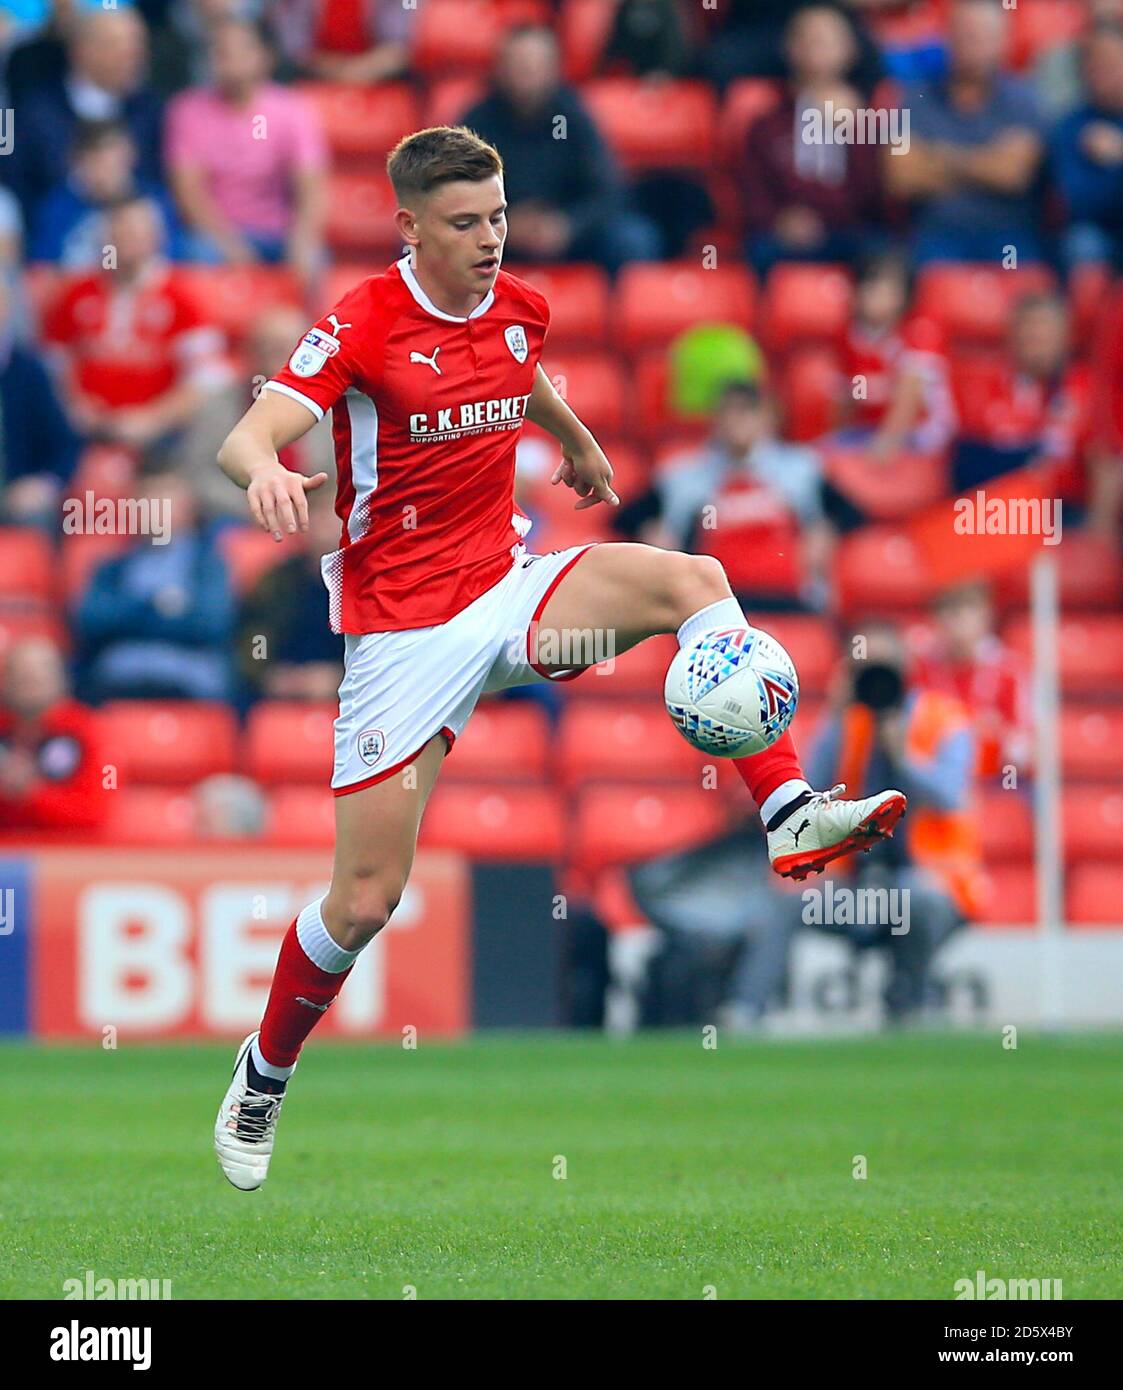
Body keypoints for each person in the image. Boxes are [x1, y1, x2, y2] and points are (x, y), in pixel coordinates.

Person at [210, 124, 907, 1191]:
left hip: (509, 586)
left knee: (695, 581)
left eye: (496, 215)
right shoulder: (360, 323)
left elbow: (518, 372)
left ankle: (786, 812)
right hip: (404, 635)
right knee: (362, 901)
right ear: (408, 227)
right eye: (463, 224)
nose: (490, 238)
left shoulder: (521, 305)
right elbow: (246, 437)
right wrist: (261, 472)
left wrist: (576, 440)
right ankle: (263, 1075)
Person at [804, 620, 982, 1023]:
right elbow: (809, 795)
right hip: (855, 885)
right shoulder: (846, 723)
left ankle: (910, 1005)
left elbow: (948, 796)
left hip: (932, 880)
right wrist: (835, 716)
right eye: (866, 670)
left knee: (917, 901)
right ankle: (746, 1011)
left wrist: (903, 756)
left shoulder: (944, 718)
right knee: (783, 902)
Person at [459, 25, 661, 273]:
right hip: (496, 236)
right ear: (499, 68)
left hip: (569, 235)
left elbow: (609, 192)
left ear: (553, 69)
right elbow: (454, 197)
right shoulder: (476, 123)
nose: (526, 75)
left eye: (534, 65)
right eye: (518, 64)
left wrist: (567, 225)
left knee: (631, 239)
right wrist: (504, 223)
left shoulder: (573, 116)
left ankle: (622, 310)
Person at [41, 194, 229, 449]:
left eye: (135, 233)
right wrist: (75, 405)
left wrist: (152, 420)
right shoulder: (76, 295)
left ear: (157, 237)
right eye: (118, 233)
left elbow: (207, 378)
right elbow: (53, 364)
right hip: (82, 432)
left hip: (161, 439)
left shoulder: (182, 298)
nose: (126, 243)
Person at [639, 381, 835, 611]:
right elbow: (629, 518)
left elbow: (843, 516)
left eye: (745, 410)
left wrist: (824, 533)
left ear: (768, 417)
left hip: (787, 598)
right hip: (712, 601)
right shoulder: (682, 477)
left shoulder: (802, 469)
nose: (735, 420)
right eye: (727, 412)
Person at [165, 17, 327, 282]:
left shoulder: (293, 110)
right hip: (216, 235)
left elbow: (312, 187)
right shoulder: (188, 110)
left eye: (237, 51)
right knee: (198, 253)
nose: (225, 60)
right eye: (218, 52)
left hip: (278, 234)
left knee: (314, 259)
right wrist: (231, 247)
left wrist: (301, 239)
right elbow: (189, 193)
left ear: (264, 57)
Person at [886, 0, 1046, 265]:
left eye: (982, 36)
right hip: (935, 234)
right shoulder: (915, 98)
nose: (972, 45)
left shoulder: (1024, 100)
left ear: (1003, 41)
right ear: (947, 38)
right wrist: (986, 161)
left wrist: (936, 158)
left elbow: (1012, 174)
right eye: (964, 34)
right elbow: (903, 177)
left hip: (1009, 236)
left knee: (1025, 281)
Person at [741, 5, 888, 275]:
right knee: (758, 251)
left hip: (852, 235)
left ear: (850, 50)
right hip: (785, 237)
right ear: (789, 48)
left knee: (884, 254)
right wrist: (779, 220)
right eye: (806, 39)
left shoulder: (869, 123)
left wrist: (854, 129)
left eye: (825, 41)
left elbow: (880, 200)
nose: (815, 49)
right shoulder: (766, 126)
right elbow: (753, 195)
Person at [75, 465, 237, 702]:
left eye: (165, 499)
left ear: (189, 509)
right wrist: (157, 606)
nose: (155, 508)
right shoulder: (113, 567)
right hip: (119, 682)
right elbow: (92, 620)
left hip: (191, 685)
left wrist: (131, 619)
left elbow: (211, 624)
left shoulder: (209, 565)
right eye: (147, 499)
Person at [3, 6, 163, 224]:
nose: (134, 55)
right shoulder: (34, 114)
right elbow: (18, 186)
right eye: (117, 44)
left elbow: (158, 184)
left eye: (137, 44)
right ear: (81, 50)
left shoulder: (149, 110)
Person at [951, 290, 1090, 495]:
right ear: (1011, 334)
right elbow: (967, 461)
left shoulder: (1086, 389)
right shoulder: (980, 386)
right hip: (991, 505)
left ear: (1066, 336)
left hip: (1064, 509)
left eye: (1046, 329)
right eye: (1029, 329)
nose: (1037, 337)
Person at [910, 581, 1032, 782]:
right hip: (933, 777)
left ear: (986, 615)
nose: (957, 622)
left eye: (967, 609)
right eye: (947, 610)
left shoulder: (1009, 669)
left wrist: (998, 735)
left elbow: (1024, 745)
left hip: (992, 779)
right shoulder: (918, 665)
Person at [29, 117, 180, 267]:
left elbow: (170, 261)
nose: (105, 170)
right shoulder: (58, 207)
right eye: (96, 159)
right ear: (76, 161)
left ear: (131, 155)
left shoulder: (153, 201)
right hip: (76, 286)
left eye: (113, 159)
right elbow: (43, 269)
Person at [0, 635, 107, 832]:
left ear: (60, 680)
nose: (28, 685)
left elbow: (96, 814)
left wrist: (33, 793)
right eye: (19, 676)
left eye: (37, 677)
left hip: (67, 854)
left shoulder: (89, 732)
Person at [0, 273, 81, 525]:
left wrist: (44, 484)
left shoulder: (30, 371)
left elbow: (64, 445)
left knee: (36, 515)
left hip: (13, 497)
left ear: (6, 307)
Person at [1050, 20, 1123, 272]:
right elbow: (1078, 202)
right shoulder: (1071, 126)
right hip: (1099, 233)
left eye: (1110, 64)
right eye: (1092, 64)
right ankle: (1091, 313)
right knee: (1081, 243)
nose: (1099, 72)